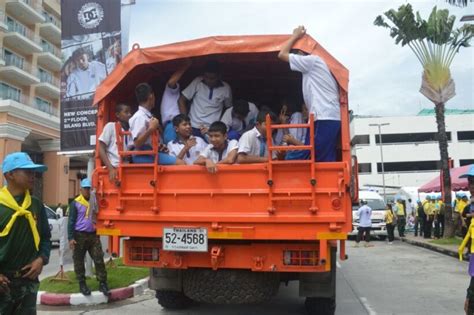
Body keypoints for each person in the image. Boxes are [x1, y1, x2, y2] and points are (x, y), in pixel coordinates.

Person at [278, 26, 341, 162]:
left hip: (324, 117)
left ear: (301, 52)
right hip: (326, 117)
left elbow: (282, 54)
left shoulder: (312, 61)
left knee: (311, 155)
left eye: (295, 54)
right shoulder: (316, 68)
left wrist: (295, 36)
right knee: (321, 157)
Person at [0, 152, 51, 313]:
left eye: (34, 172)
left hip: (28, 281)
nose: (33, 176)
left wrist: (41, 259)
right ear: (10, 174)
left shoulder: (35, 205)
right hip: (3, 283)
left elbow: (45, 238)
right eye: (27, 172)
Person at [68, 178, 110, 297]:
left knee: (98, 258)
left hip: (93, 234)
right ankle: (82, 284)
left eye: (88, 188)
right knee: (79, 260)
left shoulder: (94, 201)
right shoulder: (75, 203)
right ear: (80, 189)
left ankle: (102, 283)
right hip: (79, 235)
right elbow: (71, 221)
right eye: (85, 188)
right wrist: (71, 237)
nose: (87, 190)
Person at [129, 83, 184, 165]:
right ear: (151, 96)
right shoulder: (139, 117)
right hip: (141, 155)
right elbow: (137, 143)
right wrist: (151, 129)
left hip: (150, 152)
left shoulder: (147, 115)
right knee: (180, 163)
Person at [178, 60, 232, 139]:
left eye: (212, 78)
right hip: (193, 127)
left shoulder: (226, 88)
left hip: (212, 130)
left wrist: (220, 125)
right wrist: (186, 123)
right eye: (206, 77)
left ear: (219, 76)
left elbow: (229, 109)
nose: (209, 80)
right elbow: (181, 100)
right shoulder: (197, 82)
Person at [98, 103, 132, 183]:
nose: (129, 115)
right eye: (126, 112)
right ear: (117, 115)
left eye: (130, 112)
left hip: (127, 168)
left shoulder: (131, 130)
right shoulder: (110, 126)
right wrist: (110, 169)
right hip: (114, 168)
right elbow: (101, 149)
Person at [161, 60, 192, 144]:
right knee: (174, 154)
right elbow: (171, 82)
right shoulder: (171, 92)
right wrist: (186, 64)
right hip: (172, 127)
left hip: (179, 127)